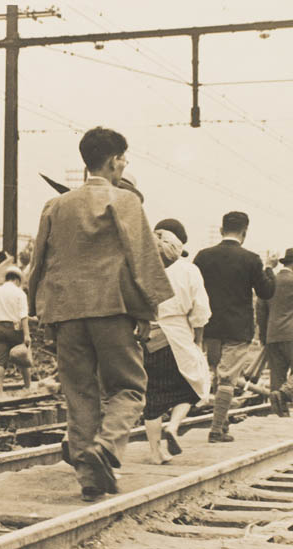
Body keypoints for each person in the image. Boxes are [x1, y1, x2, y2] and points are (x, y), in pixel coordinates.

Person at [28, 126, 173, 502]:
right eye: (123, 158)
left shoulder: (55, 205)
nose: (124, 165)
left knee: (79, 393)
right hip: (112, 309)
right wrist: (147, 311)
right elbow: (142, 260)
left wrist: (39, 313)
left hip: (65, 313)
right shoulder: (125, 202)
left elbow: (38, 263)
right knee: (128, 387)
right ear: (113, 161)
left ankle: (89, 476)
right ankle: (107, 447)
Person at [193, 211, 277, 442]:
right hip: (238, 329)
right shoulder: (251, 259)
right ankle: (216, 429)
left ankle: (224, 422)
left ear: (221, 230)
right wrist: (269, 268)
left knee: (218, 376)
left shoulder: (202, 256)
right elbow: (266, 292)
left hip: (209, 326)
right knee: (228, 379)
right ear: (245, 233)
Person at [143, 220, 211, 464]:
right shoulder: (189, 270)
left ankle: (154, 452)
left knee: (153, 396)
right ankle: (173, 425)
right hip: (178, 335)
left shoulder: (144, 267)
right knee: (194, 385)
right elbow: (200, 311)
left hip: (148, 336)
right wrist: (198, 341)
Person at [256, 247, 293, 417]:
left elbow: (260, 311)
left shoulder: (269, 282)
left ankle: (280, 413)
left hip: (273, 336)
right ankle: (284, 394)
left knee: (277, 375)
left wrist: (264, 336)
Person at [0, 265, 32, 393]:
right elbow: (23, 316)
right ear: (17, 280)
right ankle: (27, 387)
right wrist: (26, 335)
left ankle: (0, 390)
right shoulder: (20, 293)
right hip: (15, 329)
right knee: (22, 358)